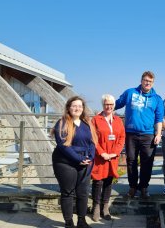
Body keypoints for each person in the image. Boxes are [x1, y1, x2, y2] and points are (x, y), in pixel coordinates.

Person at [115, 71, 164, 199]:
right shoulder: (130, 92)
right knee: (131, 161)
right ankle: (132, 187)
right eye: (145, 80)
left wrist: (158, 134)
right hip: (131, 134)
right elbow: (116, 104)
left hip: (148, 135)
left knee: (147, 162)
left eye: (150, 81)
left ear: (153, 83)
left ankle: (144, 187)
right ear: (141, 80)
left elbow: (159, 119)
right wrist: (105, 110)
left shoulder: (157, 99)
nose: (147, 83)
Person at [52, 96, 97, 228]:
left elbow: (92, 143)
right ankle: (69, 222)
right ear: (68, 108)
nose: (77, 108)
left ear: (83, 109)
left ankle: (82, 221)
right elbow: (63, 145)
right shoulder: (62, 123)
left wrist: (91, 157)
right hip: (65, 162)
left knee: (83, 193)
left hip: (85, 162)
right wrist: (79, 159)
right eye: (74, 106)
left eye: (80, 106)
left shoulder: (87, 123)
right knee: (68, 192)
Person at [90, 94, 125, 221]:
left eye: (111, 104)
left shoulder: (118, 120)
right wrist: (102, 153)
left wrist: (114, 153)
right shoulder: (96, 120)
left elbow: (122, 138)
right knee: (98, 181)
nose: (108, 106)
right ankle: (96, 207)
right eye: (106, 104)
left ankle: (105, 207)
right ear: (103, 105)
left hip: (112, 157)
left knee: (108, 181)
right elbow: (93, 138)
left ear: (114, 106)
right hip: (100, 157)